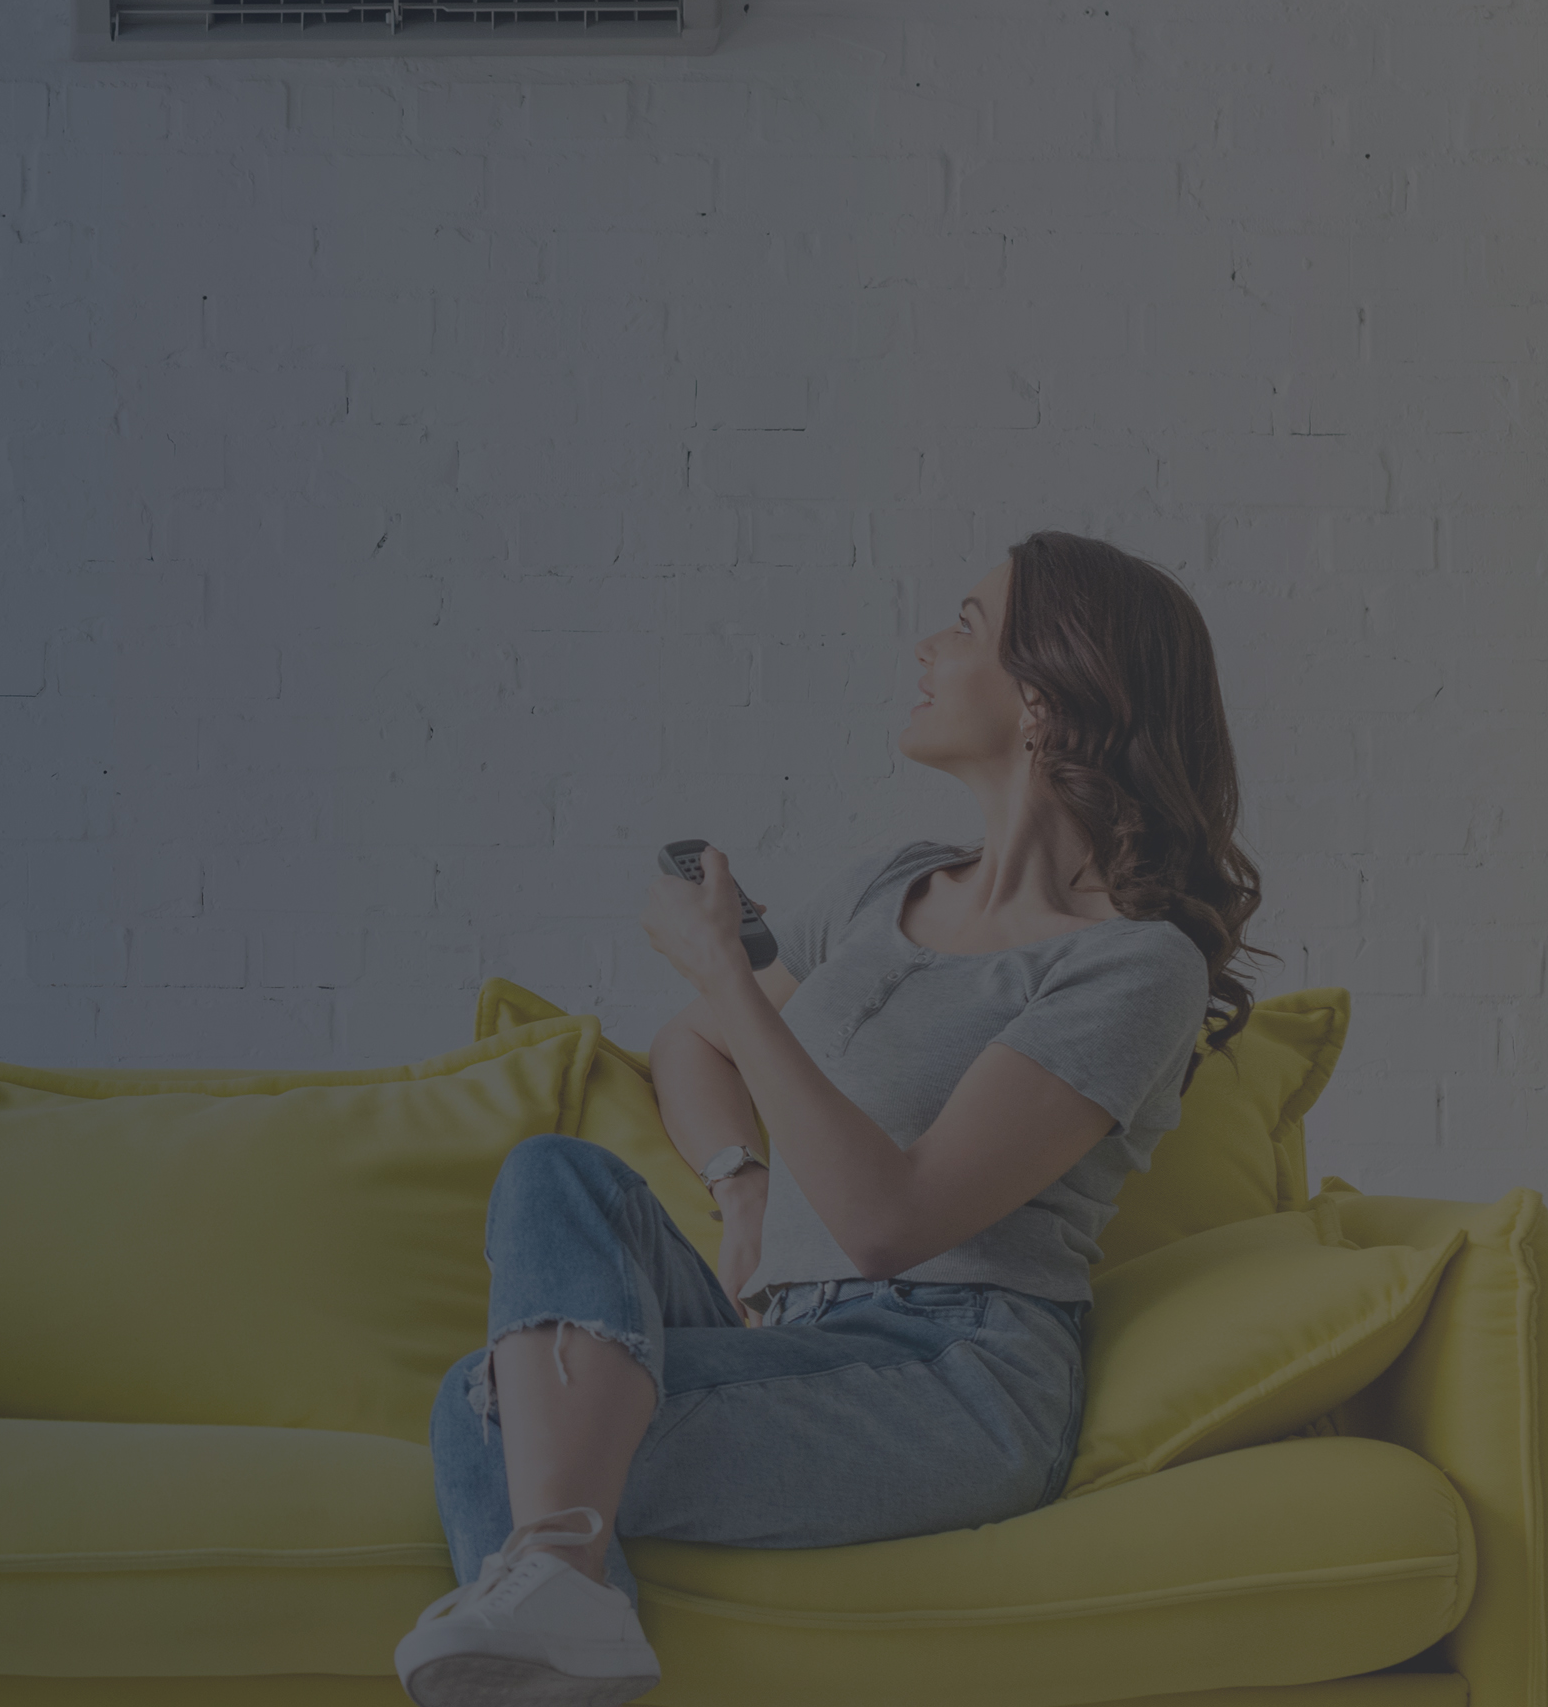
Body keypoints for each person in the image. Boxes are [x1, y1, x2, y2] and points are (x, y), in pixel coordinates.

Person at [392, 530, 1275, 1707]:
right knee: (553, 1176)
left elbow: (888, 1219)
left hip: (950, 1365)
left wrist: (722, 969)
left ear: (1045, 699)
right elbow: (692, 1045)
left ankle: (556, 1574)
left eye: (963, 621)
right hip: (785, 1330)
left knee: (491, 1413)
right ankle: (561, 1579)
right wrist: (740, 1186)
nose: (923, 643)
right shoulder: (887, 884)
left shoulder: (1130, 966)